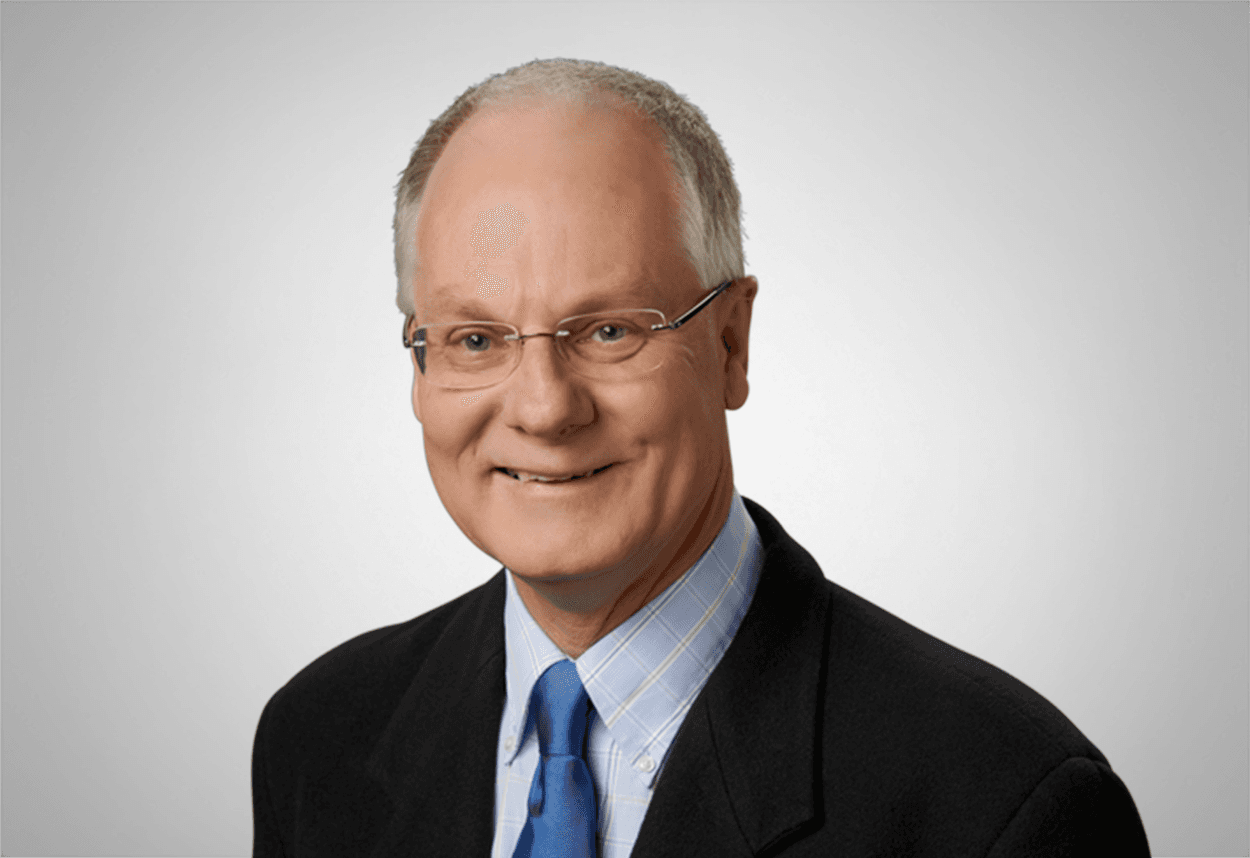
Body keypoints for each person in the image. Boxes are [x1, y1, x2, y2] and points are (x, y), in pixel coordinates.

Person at [251, 58, 1151, 857]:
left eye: (608, 329)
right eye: (476, 340)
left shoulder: (1007, 807)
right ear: (419, 365)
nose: (544, 407)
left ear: (729, 343)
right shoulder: (319, 737)